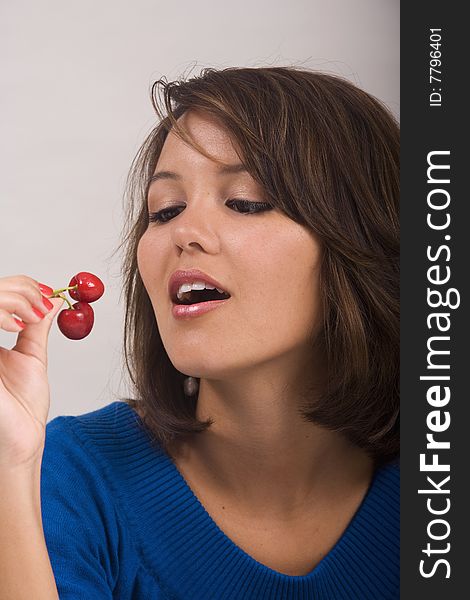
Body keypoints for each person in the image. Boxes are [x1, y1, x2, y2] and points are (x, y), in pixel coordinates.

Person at [0, 66, 399, 599]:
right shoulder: (68, 477)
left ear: (360, 239)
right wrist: (10, 465)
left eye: (246, 202)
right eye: (164, 211)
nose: (183, 232)